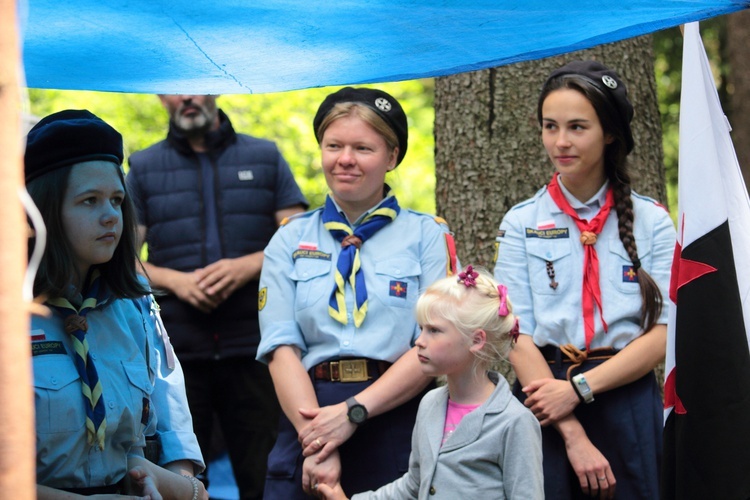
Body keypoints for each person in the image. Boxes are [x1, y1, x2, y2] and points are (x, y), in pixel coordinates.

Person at [256, 87, 459, 499]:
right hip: (306, 417)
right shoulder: (288, 240)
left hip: (397, 420)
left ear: (392, 156)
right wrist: (316, 440)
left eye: (362, 147)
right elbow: (281, 348)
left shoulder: (427, 237)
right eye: (334, 146)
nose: (344, 159)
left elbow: (432, 346)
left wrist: (352, 413)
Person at [494, 60, 676, 499]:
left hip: (624, 396)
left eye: (577, 127)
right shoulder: (522, 222)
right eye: (549, 126)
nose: (560, 141)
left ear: (609, 132)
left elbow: (667, 332)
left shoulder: (652, 221)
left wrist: (580, 388)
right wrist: (571, 431)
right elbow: (515, 333)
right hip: (544, 401)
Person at [127, 94, 308, 499]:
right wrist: (175, 281)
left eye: (195, 86)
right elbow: (122, 258)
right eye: (175, 89)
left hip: (256, 351)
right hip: (177, 357)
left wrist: (244, 267)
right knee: (182, 478)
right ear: (160, 97)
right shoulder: (142, 165)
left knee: (264, 476)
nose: (187, 97)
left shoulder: (265, 156)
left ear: (215, 89)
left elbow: (301, 241)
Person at [26, 109, 207, 499]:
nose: (110, 216)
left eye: (116, 200)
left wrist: (172, 484)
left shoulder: (132, 307)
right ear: (43, 210)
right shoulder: (12, 314)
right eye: (90, 201)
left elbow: (154, 435)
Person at [315, 266, 544, 499]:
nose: (419, 341)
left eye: (434, 330)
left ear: (476, 340)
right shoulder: (430, 404)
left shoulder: (514, 421)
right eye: (422, 329)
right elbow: (414, 485)